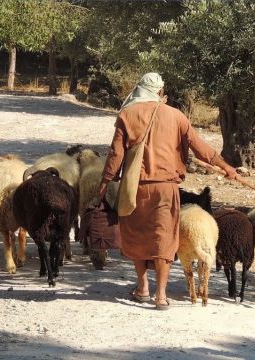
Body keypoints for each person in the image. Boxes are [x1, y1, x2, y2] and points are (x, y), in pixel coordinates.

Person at [97, 72, 237, 310]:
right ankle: (161, 295)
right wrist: (225, 167)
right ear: (161, 92)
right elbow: (200, 148)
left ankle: (142, 287)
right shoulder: (176, 116)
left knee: (137, 235)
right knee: (164, 239)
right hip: (166, 189)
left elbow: (115, 154)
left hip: (135, 187)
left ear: (139, 89)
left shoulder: (127, 115)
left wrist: (105, 181)